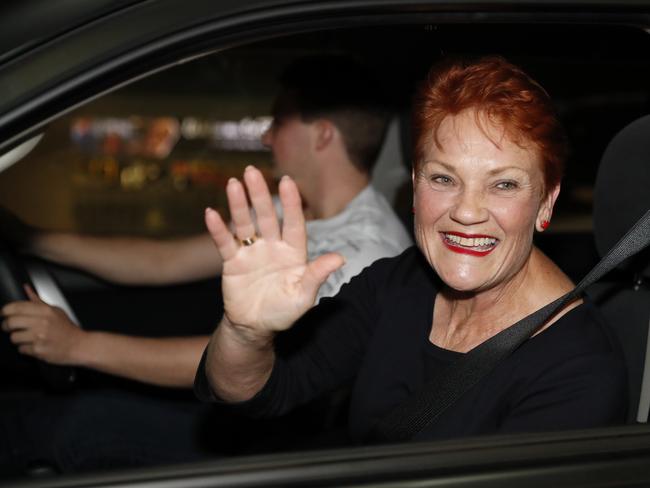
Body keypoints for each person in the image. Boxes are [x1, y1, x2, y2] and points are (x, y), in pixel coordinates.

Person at [195, 56, 627, 443]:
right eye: (444, 178)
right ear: (416, 186)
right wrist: (245, 333)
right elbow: (256, 391)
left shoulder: (579, 370)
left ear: (545, 202)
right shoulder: (398, 284)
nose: (468, 211)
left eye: (504, 184)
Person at [0, 55, 412, 389]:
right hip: (231, 401)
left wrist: (79, 347)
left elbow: (257, 361)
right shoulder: (290, 210)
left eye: (279, 121)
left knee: (57, 428)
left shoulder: (370, 258)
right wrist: (31, 238)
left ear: (323, 135)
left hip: (269, 431)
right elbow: (163, 261)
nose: (266, 137)